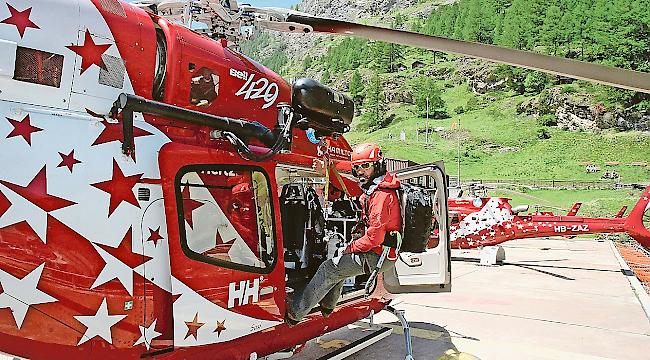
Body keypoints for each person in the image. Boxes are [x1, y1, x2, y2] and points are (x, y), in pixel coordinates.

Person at [286, 143, 402, 324]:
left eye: (366, 166)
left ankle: (296, 312)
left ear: (377, 166)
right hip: (381, 253)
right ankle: (327, 306)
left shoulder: (381, 195)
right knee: (339, 266)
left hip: (378, 256)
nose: (361, 171)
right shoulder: (376, 190)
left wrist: (351, 247)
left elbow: (375, 237)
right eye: (357, 167)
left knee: (329, 268)